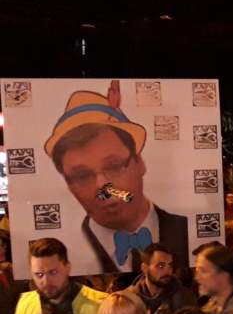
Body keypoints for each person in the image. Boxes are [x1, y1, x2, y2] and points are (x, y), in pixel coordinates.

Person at [43, 82, 188, 273]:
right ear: (68, 185)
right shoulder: (63, 256)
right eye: (82, 176)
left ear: (140, 162)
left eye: (114, 166)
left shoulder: (188, 231)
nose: (102, 185)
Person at [128, 243, 197, 314]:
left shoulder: (183, 298)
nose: (168, 271)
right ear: (145, 268)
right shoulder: (130, 298)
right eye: (161, 266)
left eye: (170, 265)